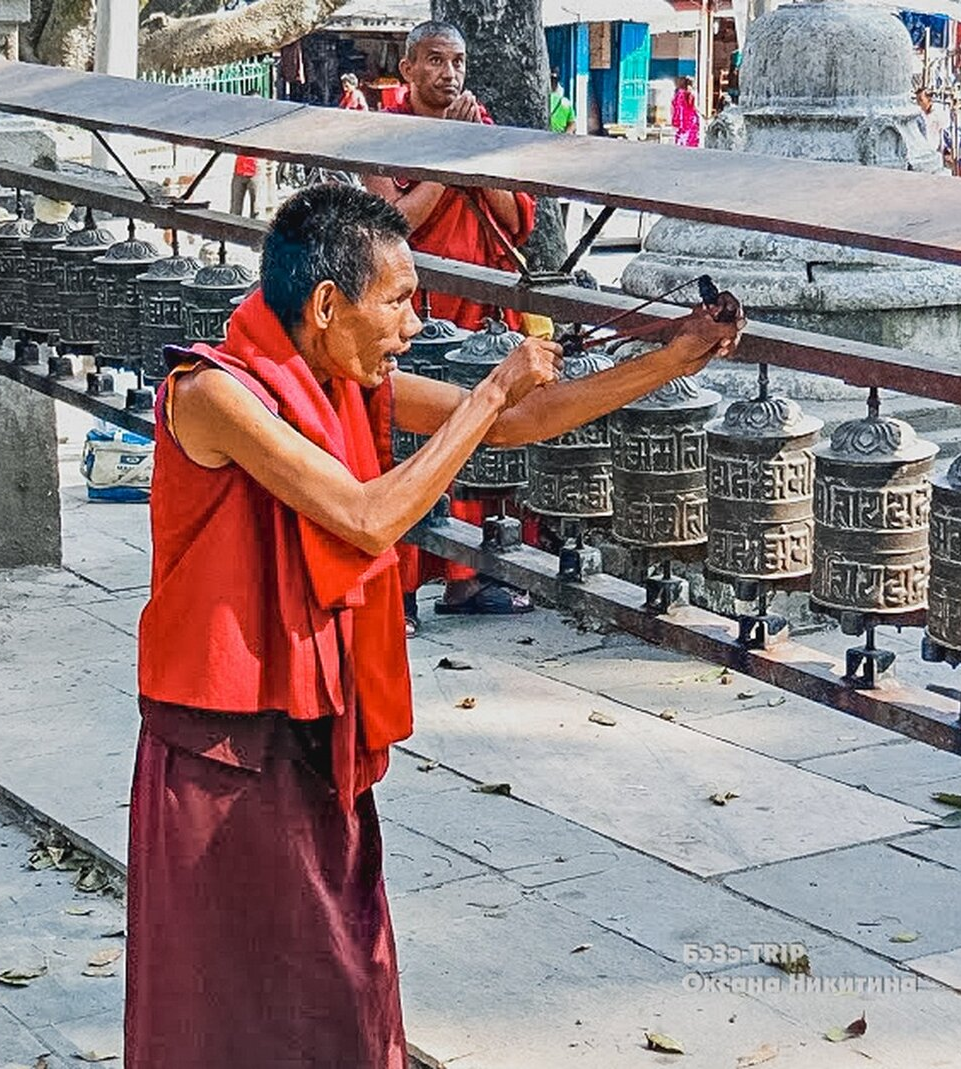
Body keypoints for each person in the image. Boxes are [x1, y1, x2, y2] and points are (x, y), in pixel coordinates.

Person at [126, 182, 742, 1068]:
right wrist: (487, 390)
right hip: (222, 748)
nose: (413, 325)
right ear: (330, 305)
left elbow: (522, 423)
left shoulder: (342, 377)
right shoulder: (213, 396)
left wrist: (671, 361)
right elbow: (369, 517)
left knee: (341, 985)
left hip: (313, 730)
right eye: (401, 301)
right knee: (225, 1007)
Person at [364, 20, 539, 627]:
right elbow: (396, 222)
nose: (449, 74)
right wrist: (448, 156)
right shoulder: (382, 131)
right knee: (411, 444)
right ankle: (401, 588)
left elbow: (517, 218)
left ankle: (469, 580)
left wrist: (471, 151)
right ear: (407, 69)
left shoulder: (479, 125)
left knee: (483, 439)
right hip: (417, 317)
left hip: (484, 312)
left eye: (457, 62)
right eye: (435, 61)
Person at [916, 87, 947, 157]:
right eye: (917, 100)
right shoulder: (918, 115)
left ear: (929, 100)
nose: (918, 103)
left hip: (933, 148)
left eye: (921, 100)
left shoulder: (938, 114)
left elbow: (943, 131)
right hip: (919, 149)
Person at [672, 76, 701, 148]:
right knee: (689, 139)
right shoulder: (686, 95)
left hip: (684, 121)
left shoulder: (678, 94)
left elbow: (676, 108)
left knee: (682, 138)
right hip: (688, 120)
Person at [230, 151, 260, 217]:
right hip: (239, 171)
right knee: (235, 207)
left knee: (256, 207)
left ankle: (253, 226)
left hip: (254, 172)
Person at [550, 68, 577, 134]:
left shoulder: (541, 99)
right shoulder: (566, 102)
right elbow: (572, 123)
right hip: (559, 138)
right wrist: (566, 135)